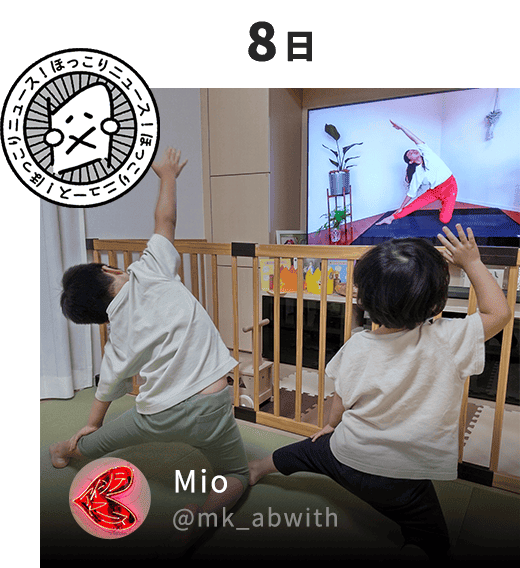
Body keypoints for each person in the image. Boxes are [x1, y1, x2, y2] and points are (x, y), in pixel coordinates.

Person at [248, 226, 511, 560]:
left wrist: (330, 426)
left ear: (364, 299)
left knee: (305, 451)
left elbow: (340, 398)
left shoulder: (357, 345)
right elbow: (499, 312)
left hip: (346, 454)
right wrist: (472, 262)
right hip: (403, 479)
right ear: (436, 303)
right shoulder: (449, 339)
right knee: (430, 540)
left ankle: (257, 468)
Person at [50, 147, 249, 547]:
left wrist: (93, 424)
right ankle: (203, 521)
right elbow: (165, 219)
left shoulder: (118, 336)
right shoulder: (151, 270)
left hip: (159, 415)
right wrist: (168, 175)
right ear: (110, 268)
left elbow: (107, 386)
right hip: (214, 402)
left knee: (97, 442)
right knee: (238, 474)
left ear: (100, 318)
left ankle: (63, 450)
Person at [377, 120, 458, 226]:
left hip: (450, 187)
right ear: (411, 161)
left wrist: (402, 127)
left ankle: (444, 206)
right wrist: (401, 207)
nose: (412, 151)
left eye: (412, 150)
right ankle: (391, 218)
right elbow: (411, 193)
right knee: (415, 204)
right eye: (410, 154)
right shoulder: (418, 173)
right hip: (435, 190)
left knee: (444, 219)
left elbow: (415, 140)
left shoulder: (429, 155)